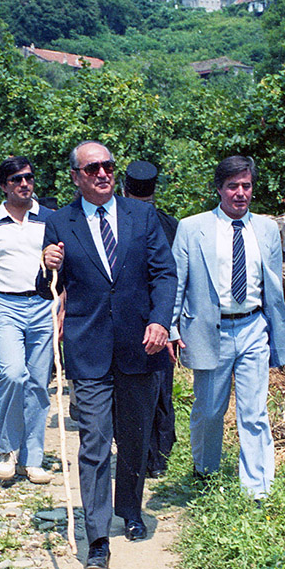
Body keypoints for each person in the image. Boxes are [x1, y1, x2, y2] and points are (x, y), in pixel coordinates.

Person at [40, 141, 176, 569]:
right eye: (92, 168)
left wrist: (160, 321)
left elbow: (164, 273)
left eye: (108, 166)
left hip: (142, 344)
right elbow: (48, 288)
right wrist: (46, 264)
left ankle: (130, 510)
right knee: (95, 441)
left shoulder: (143, 216)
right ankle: (97, 538)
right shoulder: (60, 222)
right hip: (89, 348)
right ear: (77, 176)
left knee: (134, 437)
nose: (103, 173)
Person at [169, 155, 285, 501]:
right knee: (209, 409)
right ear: (219, 189)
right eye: (233, 186)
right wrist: (171, 328)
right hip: (211, 330)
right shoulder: (192, 228)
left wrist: (273, 330)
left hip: (253, 327)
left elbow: (271, 284)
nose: (240, 193)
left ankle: (258, 487)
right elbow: (177, 282)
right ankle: (205, 470)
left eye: (246, 186)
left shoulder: (267, 228)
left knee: (254, 411)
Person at [0, 157, 54, 485]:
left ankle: (33, 458)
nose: (24, 184)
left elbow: (65, 268)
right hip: (5, 305)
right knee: (13, 375)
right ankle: (8, 449)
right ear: (4, 185)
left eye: (29, 177)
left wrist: (61, 311)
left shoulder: (49, 219)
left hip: (42, 304)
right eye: (16, 179)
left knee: (38, 383)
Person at [124, 161, 178, 478]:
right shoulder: (170, 224)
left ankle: (144, 455)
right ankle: (159, 455)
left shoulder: (116, 221)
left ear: (124, 188)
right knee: (161, 389)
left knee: (132, 392)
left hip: (132, 319)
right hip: (162, 319)